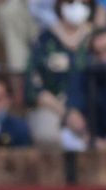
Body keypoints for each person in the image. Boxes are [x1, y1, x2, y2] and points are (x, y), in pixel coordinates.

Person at [27, 0, 97, 145]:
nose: (77, 7)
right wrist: (67, 114)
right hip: (54, 107)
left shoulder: (98, 39)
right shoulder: (45, 39)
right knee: (47, 136)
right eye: (71, 2)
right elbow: (33, 87)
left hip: (96, 107)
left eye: (84, 3)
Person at [63, 26, 106, 144]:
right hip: (93, 139)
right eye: (98, 53)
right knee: (68, 136)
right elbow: (74, 116)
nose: (104, 57)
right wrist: (91, 139)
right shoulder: (84, 76)